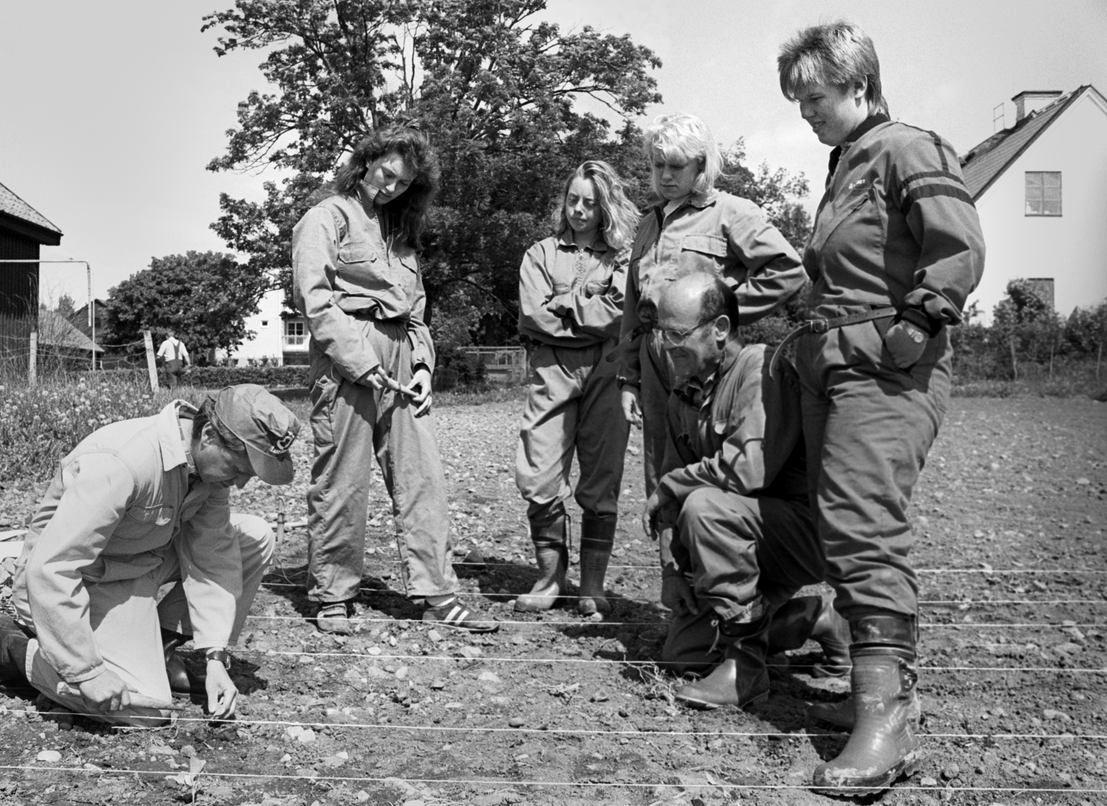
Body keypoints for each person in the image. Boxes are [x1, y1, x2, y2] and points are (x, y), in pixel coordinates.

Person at [776, 21, 985, 795]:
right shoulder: (847, 163)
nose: (806, 113)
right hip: (832, 368)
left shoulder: (907, 148)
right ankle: (877, 691)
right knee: (835, 525)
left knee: (864, 527)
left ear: (860, 85)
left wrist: (919, 322)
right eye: (797, 102)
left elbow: (957, 243)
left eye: (816, 97)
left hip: (886, 374)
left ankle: (886, 724)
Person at [0, 384, 301, 726]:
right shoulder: (122, 462)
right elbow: (51, 569)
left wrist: (215, 659)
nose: (240, 485)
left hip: (141, 565)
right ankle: (12, 650)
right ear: (208, 435)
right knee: (146, 713)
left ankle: (159, 647)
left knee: (254, 536)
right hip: (85, 582)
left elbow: (213, 556)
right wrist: (86, 671)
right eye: (238, 470)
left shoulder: (206, 471)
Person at [291, 124, 496, 635]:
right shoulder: (325, 218)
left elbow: (417, 313)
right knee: (342, 477)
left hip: (403, 356)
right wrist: (358, 359)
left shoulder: (402, 238)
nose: (390, 188)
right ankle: (333, 593)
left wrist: (425, 366)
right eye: (386, 174)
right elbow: (313, 300)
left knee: (422, 475)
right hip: (347, 358)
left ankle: (436, 593)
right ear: (366, 161)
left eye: (403, 184)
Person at [644, 274, 849, 709]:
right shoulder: (680, 394)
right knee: (684, 655)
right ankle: (814, 618)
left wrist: (671, 486)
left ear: (719, 329)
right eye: (660, 332)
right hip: (734, 542)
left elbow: (747, 470)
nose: (664, 345)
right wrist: (671, 572)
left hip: (797, 538)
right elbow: (667, 500)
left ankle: (746, 669)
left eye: (676, 333)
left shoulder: (762, 367)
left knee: (703, 507)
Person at [617, 113, 806, 507]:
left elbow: (787, 271)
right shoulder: (649, 224)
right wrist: (629, 379)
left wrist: (722, 316)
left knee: (713, 455)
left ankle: (716, 551)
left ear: (700, 165)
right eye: (657, 165)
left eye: (676, 166)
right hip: (656, 358)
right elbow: (635, 311)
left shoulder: (732, 212)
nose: (665, 175)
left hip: (706, 356)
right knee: (661, 468)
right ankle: (673, 567)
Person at [514, 160, 640, 618]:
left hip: (610, 373)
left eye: (590, 202)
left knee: (602, 482)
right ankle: (550, 579)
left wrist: (565, 305)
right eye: (573, 200)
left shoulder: (625, 256)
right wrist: (588, 312)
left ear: (605, 205)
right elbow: (533, 315)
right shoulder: (539, 254)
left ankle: (592, 585)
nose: (579, 210)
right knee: (539, 476)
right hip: (552, 374)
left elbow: (623, 311)